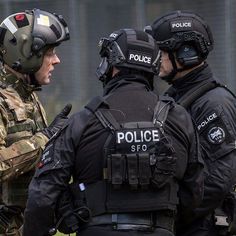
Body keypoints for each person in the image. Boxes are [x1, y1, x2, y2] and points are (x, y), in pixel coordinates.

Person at [23, 28, 204, 236]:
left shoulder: (82, 121)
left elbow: (42, 197)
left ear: (113, 64)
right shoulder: (180, 119)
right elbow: (195, 193)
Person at [145, 10, 236, 236]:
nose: (156, 58)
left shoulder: (213, 103)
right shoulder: (176, 96)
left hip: (203, 226)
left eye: (162, 51)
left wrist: (173, 217)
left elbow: (218, 179)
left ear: (186, 53)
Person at [0, 8, 71, 235]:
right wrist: (45, 139)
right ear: (26, 54)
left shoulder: (26, 96)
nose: (57, 60)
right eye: (50, 52)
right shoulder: (2, 100)